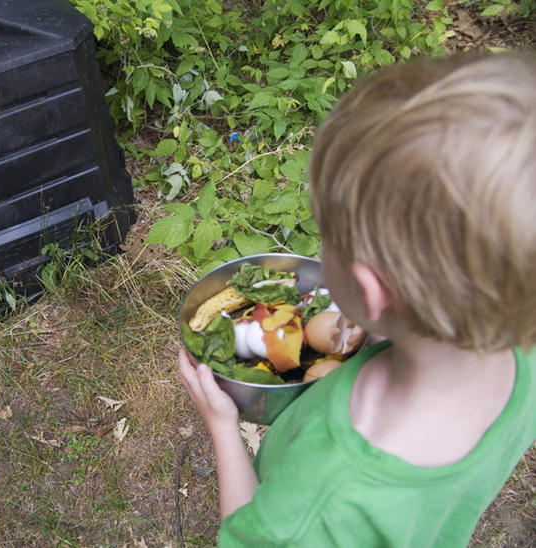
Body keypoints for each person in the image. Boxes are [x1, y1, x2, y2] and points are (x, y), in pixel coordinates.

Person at [178, 51, 536, 546]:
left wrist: (222, 427)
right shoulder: (521, 353)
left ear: (370, 290)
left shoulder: (327, 495)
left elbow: (246, 534)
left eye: (328, 238)